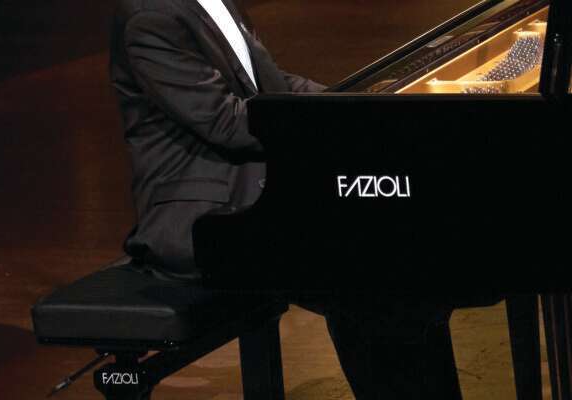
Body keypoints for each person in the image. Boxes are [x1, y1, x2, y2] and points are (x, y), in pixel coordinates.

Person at [110, 0, 456, 398]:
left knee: (402, 273)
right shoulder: (150, 18)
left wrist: (359, 109)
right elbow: (226, 121)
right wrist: (333, 131)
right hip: (206, 217)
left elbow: (274, 88)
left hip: (261, 190)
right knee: (368, 282)